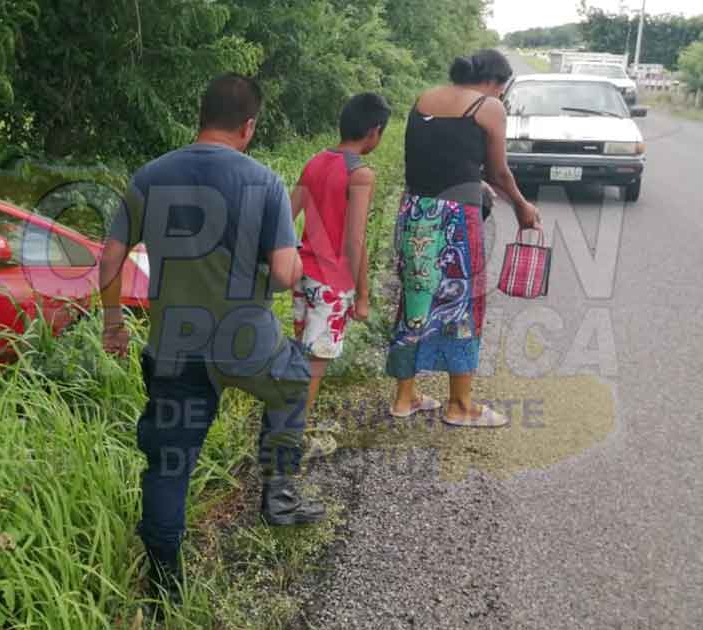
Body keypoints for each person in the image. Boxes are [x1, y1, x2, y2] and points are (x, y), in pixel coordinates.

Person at [98, 73, 326, 606]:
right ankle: (279, 494)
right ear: (249, 125)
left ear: (200, 116)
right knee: (292, 385)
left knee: (169, 463)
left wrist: (113, 325)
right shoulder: (265, 182)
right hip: (249, 345)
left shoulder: (150, 176)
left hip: (176, 350)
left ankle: (163, 588)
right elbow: (287, 272)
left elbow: (109, 259)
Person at [387, 49, 542, 427]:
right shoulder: (488, 107)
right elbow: (500, 172)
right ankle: (460, 405)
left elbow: (442, 158)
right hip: (456, 218)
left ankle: (404, 399)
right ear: (496, 83)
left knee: (415, 298)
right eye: (502, 90)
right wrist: (522, 206)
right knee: (463, 304)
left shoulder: (424, 98)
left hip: (415, 212)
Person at [291, 93, 391, 418]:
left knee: (302, 356)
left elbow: (286, 215)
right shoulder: (360, 174)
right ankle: (291, 437)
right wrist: (362, 294)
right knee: (314, 366)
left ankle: (286, 427)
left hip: (302, 274)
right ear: (374, 131)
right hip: (333, 283)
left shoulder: (316, 161)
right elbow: (355, 241)